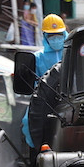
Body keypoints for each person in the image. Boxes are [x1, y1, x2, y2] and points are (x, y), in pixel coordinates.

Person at [22, 14, 67, 149]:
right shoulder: (37, 57)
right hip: (44, 100)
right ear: (45, 37)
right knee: (27, 121)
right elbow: (31, 83)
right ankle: (35, 153)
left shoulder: (72, 53)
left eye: (59, 35)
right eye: (51, 36)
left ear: (64, 34)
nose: (56, 39)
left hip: (69, 98)